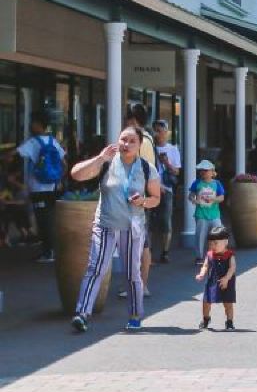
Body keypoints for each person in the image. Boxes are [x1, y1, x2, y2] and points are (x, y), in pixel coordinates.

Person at [69, 126, 161, 332]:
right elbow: (76, 174)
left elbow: (156, 198)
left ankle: (135, 315)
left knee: (132, 272)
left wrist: (143, 201)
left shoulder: (147, 168)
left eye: (132, 141)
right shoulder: (107, 163)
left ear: (140, 145)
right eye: (123, 139)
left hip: (132, 228)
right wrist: (100, 158)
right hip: (105, 225)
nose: (126, 144)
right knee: (95, 268)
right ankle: (82, 314)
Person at [17, 111, 67, 262]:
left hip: (37, 188)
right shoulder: (53, 142)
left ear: (38, 124)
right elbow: (64, 164)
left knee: (42, 219)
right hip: (51, 187)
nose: (31, 125)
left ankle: (48, 252)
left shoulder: (33, 142)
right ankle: (50, 250)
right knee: (49, 217)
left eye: (33, 122)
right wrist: (58, 179)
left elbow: (15, 154)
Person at [120, 106, 158, 299]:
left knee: (141, 244)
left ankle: (140, 285)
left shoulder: (142, 141)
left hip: (138, 199)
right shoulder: (145, 139)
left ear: (134, 120)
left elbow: (144, 170)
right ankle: (138, 284)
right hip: (138, 198)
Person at [195, 225, 237, 330]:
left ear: (226, 242)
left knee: (228, 303)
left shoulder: (230, 255)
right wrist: (201, 274)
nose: (212, 246)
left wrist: (226, 278)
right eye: (210, 243)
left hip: (226, 283)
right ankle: (206, 319)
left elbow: (232, 268)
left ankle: (229, 321)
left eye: (215, 243)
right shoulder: (210, 255)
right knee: (206, 302)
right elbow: (205, 265)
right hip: (212, 281)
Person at [151, 120, 181, 263]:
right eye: (155, 131)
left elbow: (177, 172)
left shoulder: (173, 149)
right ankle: (148, 251)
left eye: (160, 131)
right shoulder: (150, 148)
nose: (158, 134)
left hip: (167, 189)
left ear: (166, 132)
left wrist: (167, 163)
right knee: (150, 222)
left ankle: (165, 252)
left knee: (165, 220)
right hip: (151, 188)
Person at [189, 160, 225, 262]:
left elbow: (222, 197)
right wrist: (194, 200)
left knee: (218, 236)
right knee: (200, 237)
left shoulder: (217, 183)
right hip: (201, 214)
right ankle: (199, 257)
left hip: (215, 215)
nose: (203, 172)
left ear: (212, 172)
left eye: (205, 170)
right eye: (201, 170)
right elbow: (191, 195)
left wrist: (213, 199)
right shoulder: (197, 183)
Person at [0, 153, 31, 247]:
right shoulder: (5, 177)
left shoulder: (13, 183)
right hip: (6, 204)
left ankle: (25, 233)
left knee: (16, 210)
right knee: (13, 211)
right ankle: (24, 233)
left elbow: (23, 198)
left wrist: (8, 200)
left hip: (8, 204)